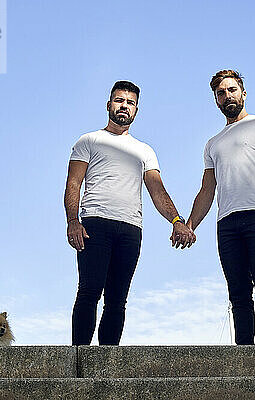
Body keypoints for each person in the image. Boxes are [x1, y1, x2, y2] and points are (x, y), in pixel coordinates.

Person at [64, 80, 195, 345]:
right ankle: (78, 358)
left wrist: (177, 221)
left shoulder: (144, 150)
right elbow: (74, 182)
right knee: (89, 292)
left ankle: (107, 361)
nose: (124, 106)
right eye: (119, 100)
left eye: (130, 103)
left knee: (117, 299)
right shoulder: (89, 140)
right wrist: (72, 221)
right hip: (95, 224)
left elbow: (157, 190)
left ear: (136, 110)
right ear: (109, 104)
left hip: (130, 229)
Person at [186, 70, 255, 345]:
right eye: (221, 93)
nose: (227, 96)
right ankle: (245, 353)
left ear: (243, 93)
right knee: (238, 291)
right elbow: (207, 189)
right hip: (227, 223)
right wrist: (189, 225)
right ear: (216, 101)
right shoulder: (212, 143)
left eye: (232, 90)